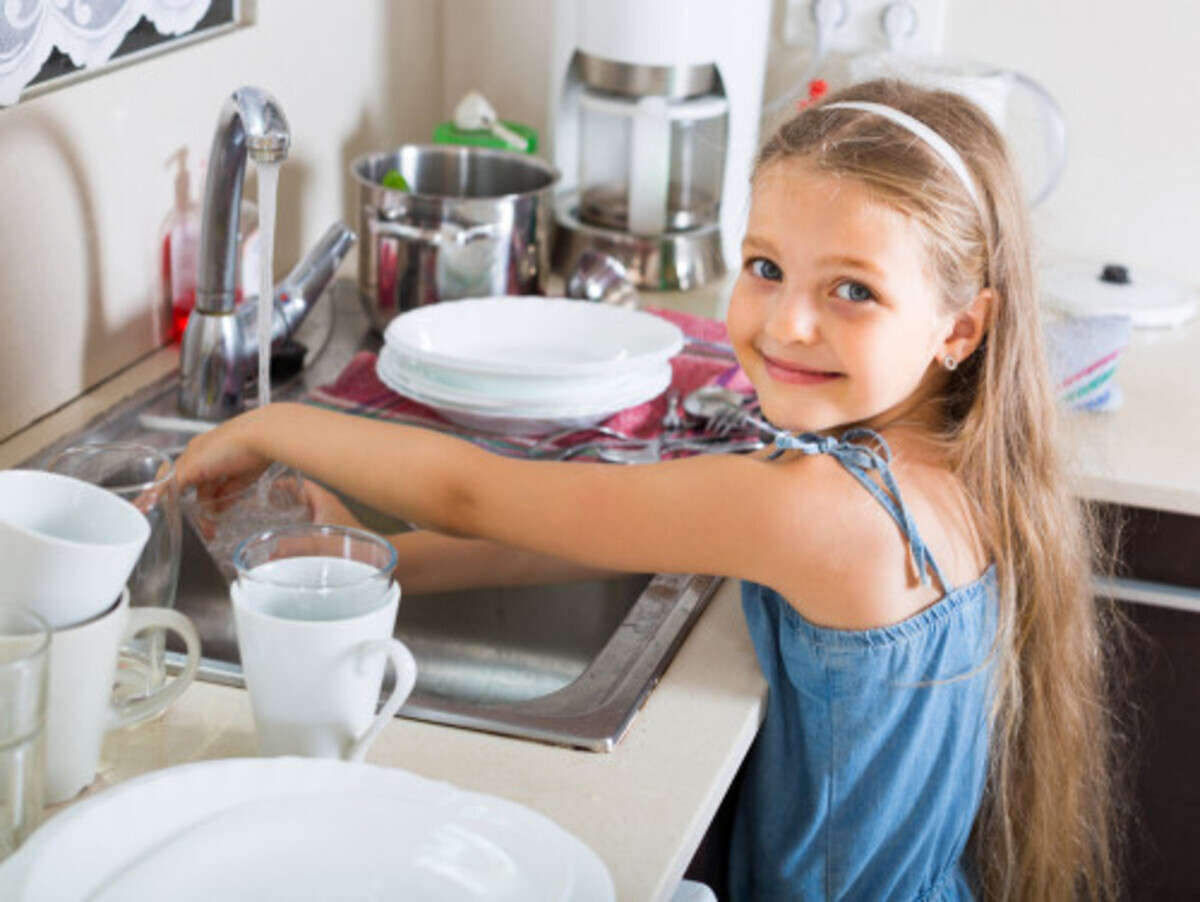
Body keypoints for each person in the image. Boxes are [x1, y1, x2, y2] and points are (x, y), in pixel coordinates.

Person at [174, 78, 1119, 900]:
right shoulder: (944, 466)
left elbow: (476, 492)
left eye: (854, 290)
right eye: (766, 268)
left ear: (961, 326)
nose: (787, 322)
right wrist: (376, 563)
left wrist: (269, 425)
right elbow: (587, 533)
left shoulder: (818, 513)